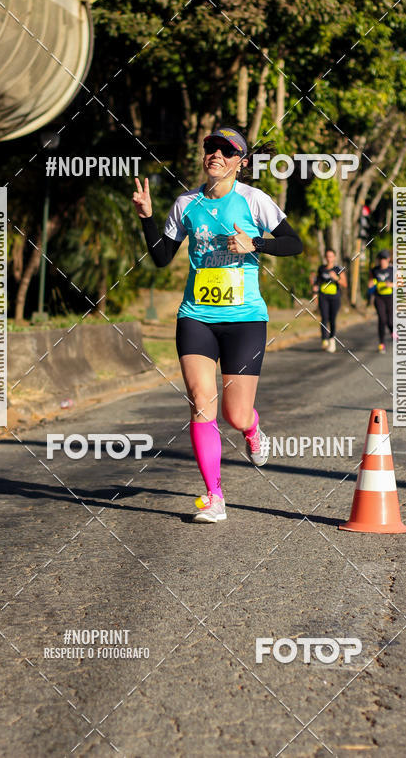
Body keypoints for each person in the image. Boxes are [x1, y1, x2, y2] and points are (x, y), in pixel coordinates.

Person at [132, 126, 303, 523]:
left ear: (241, 163)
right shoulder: (186, 204)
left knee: (236, 415)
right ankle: (214, 497)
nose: (216, 155)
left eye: (227, 151)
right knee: (200, 401)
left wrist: (255, 244)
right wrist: (147, 218)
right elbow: (162, 257)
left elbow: (294, 243)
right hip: (196, 317)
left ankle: (252, 429)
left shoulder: (254, 200)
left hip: (245, 319)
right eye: (211, 147)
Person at [311, 248, 347, 352]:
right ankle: (324, 340)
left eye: (331, 256)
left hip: (335, 297)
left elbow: (345, 284)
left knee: (332, 319)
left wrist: (336, 278)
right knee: (324, 318)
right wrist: (314, 292)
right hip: (323, 296)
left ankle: (332, 339)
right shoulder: (321, 268)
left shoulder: (338, 269)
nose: (329, 258)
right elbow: (317, 282)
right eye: (327, 256)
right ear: (325, 257)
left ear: (334, 257)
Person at [369, 249, 395, 352]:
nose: (382, 261)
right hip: (379, 297)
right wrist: (371, 284)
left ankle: (393, 332)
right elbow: (370, 283)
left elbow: (401, 283)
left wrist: (391, 284)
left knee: (390, 321)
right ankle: (381, 343)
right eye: (380, 259)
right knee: (382, 319)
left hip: (390, 297)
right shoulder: (374, 270)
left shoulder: (393, 269)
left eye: (384, 259)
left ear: (388, 259)